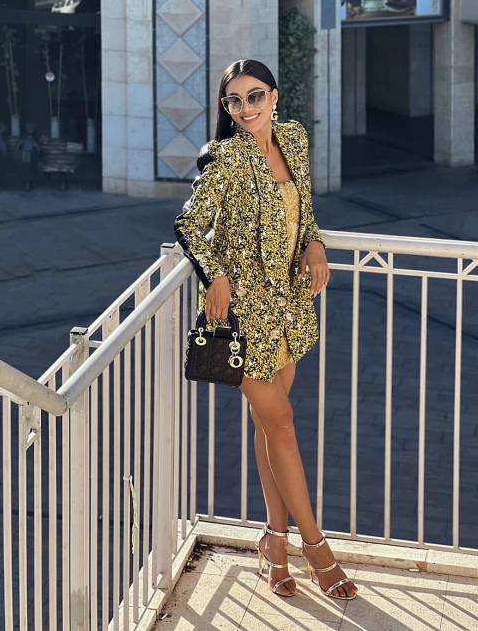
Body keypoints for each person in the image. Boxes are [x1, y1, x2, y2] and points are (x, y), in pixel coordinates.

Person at [174, 59, 358, 601]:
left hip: (289, 307)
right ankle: (317, 550)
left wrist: (315, 244)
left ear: (274, 97)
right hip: (243, 315)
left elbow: (305, 210)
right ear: (227, 109)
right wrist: (216, 274)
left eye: (255, 96)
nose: (246, 108)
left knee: (268, 427)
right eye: (234, 100)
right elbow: (188, 224)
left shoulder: (294, 139)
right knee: (283, 425)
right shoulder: (226, 158)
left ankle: (274, 544)